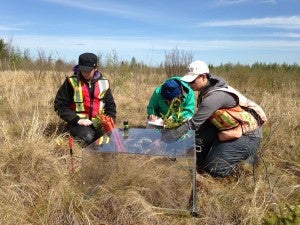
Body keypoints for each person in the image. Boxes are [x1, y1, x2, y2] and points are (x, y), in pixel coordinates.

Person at [162, 61, 267, 177]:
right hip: (227, 128)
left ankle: (248, 159)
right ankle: (223, 151)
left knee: (214, 169)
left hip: (248, 135)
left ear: (203, 77)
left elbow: (193, 124)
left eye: (192, 80)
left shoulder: (214, 97)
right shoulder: (207, 90)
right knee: (198, 153)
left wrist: (168, 138)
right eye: (188, 80)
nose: (190, 84)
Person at [54, 52, 116, 145]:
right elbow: (60, 106)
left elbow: (110, 107)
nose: (85, 73)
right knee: (88, 137)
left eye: (88, 70)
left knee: (113, 140)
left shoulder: (104, 83)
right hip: (77, 123)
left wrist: (110, 122)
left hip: (98, 124)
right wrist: (77, 120)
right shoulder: (71, 82)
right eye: (82, 70)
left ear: (96, 68)